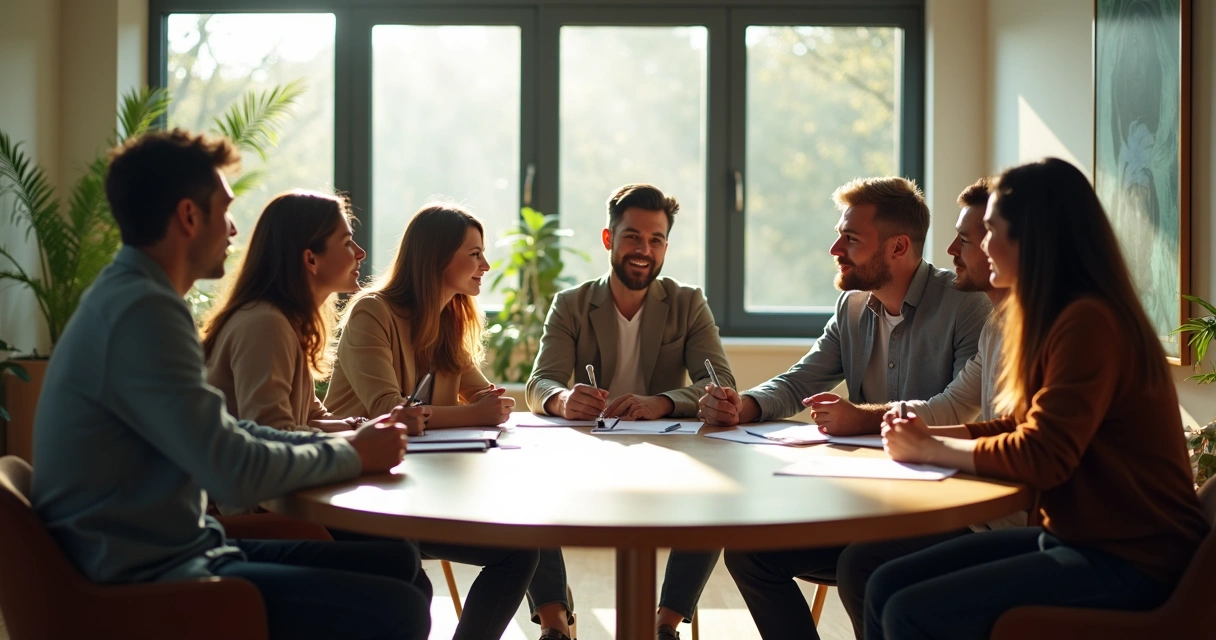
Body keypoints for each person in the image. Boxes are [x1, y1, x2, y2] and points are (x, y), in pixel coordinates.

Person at [31, 129, 430, 640]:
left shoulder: (133, 298)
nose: (235, 229)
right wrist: (354, 455)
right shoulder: (144, 313)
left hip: (184, 547)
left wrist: (350, 443)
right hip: (145, 579)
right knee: (399, 609)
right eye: (224, 209)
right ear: (189, 217)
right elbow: (234, 471)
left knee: (395, 559)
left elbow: (234, 433)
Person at [867, 158, 1209, 639]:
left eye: (990, 231)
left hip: (1133, 558)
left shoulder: (1088, 322)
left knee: (909, 610)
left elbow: (1042, 455)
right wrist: (930, 435)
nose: (982, 247)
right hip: (1079, 538)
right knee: (883, 584)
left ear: (1032, 239)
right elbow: (1024, 429)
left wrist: (931, 449)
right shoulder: (1053, 318)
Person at [699, 176, 992, 640]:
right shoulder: (853, 306)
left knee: (862, 565)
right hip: (865, 503)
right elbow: (800, 379)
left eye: (851, 239)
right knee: (747, 551)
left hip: (939, 511)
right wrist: (745, 406)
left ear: (898, 247)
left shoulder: (966, 303)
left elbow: (961, 411)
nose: (836, 248)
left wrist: (864, 417)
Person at [324, 203, 563, 640]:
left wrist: (490, 403)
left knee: (521, 549)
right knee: (413, 575)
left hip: (419, 492)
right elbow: (388, 410)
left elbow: (484, 393)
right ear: (437, 258)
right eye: (474, 254)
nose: (485, 266)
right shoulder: (371, 313)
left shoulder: (450, 319)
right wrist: (476, 413)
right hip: (359, 495)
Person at [799, 177, 1025, 638]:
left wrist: (925, 444)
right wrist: (922, 440)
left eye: (966, 238)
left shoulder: (1009, 317)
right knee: (760, 555)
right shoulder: (1003, 327)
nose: (949, 249)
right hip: (976, 508)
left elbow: (1031, 443)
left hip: (1017, 524)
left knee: (871, 573)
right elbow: (975, 412)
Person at [526, 183, 734, 639]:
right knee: (527, 493)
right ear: (609, 239)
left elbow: (720, 383)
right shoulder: (571, 304)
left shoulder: (687, 302)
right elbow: (540, 381)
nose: (644, 250)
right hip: (586, 448)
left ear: (665, 247)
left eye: (656, 240)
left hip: (665, 453)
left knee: (715, 497)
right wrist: (562, 399)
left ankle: (666, 625)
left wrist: (660, 402)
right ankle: (555, 625)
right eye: (633, 237)